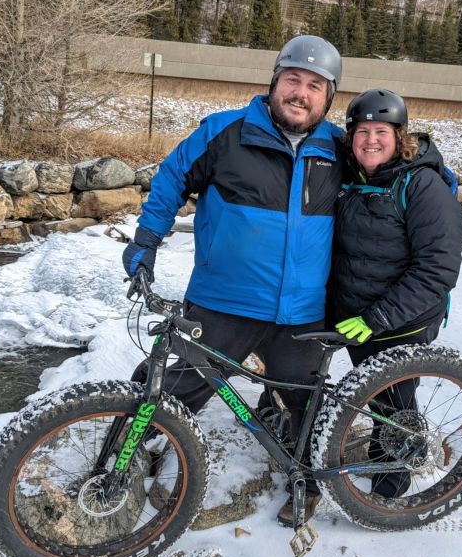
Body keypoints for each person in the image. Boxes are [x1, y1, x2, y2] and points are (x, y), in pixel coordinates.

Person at [122, 35, 344, 527]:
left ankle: (303, 476)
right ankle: (132, 446)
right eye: (292, 79)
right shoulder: (225, 132)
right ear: (273, 82)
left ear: (329, 98)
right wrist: (147, 239)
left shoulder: (339, 148)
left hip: (302, 310)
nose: (300, 93)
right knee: (183, 383)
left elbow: (397, 177)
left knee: (302, 404)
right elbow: (172, 176)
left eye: (314, 85)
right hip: (225, 299)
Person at [332, 89, 462, 499]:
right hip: (352, 310)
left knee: (392, 409)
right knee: (355, 392)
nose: (371, 139)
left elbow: (437, 269)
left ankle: (389, 491)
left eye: (381, 131)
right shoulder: (352, 177)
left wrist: (378, 318)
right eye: (362, 131)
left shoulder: (421, 185)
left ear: (399, 136)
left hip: (401, 320)